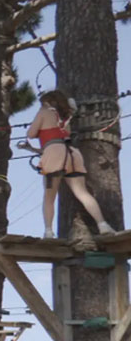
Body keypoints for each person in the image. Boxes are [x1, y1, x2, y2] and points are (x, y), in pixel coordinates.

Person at [26, 90, 115, 239]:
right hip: (72, 154)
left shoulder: (44, 111)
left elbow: (30, 133)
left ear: (48, 101)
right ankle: (103, 224)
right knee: (82, 192)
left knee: (49, 197)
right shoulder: (66, 116)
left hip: (53, 153)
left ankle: (48, 231)